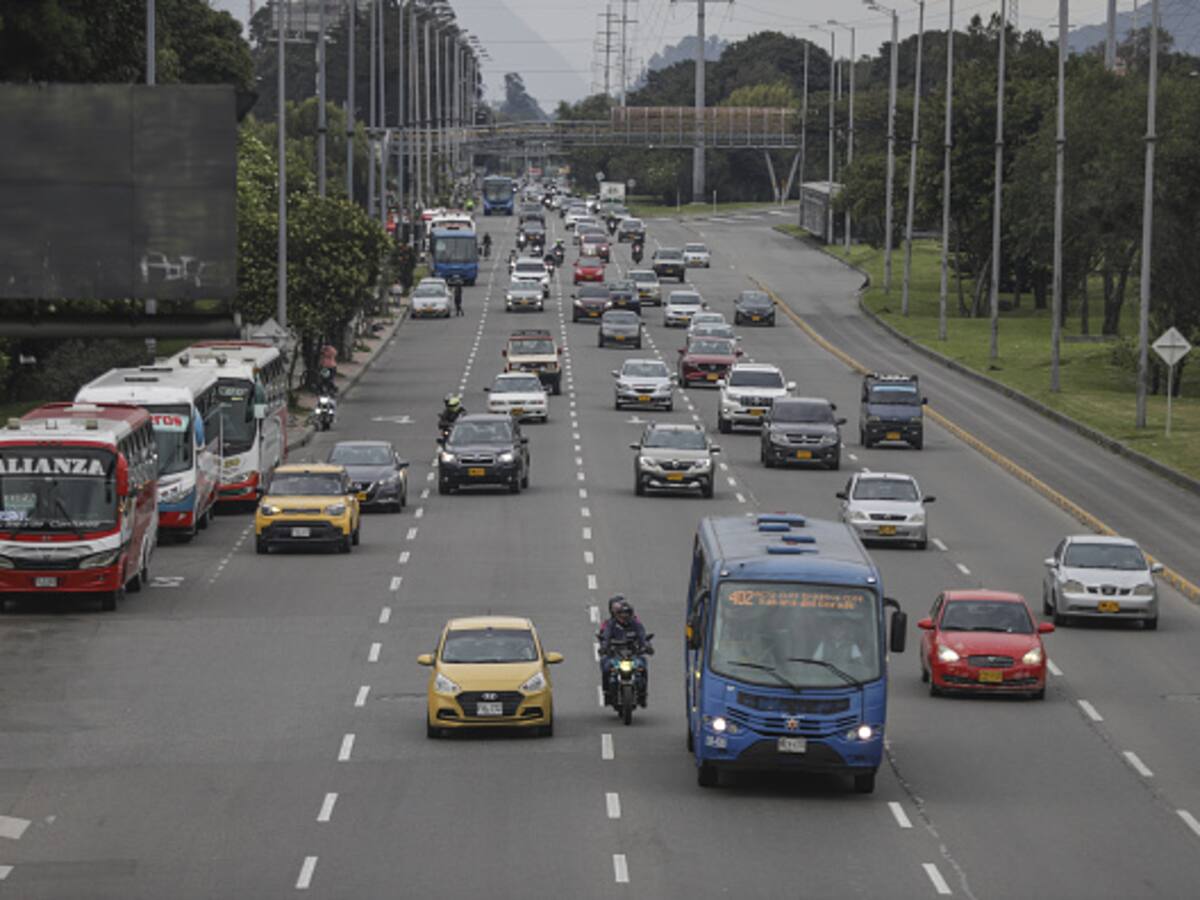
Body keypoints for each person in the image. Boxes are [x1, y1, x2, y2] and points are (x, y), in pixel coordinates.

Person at [599, 599, 652, 706]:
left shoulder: (636, 624)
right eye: (621, 614)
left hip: (633, 655)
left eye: (626, 614)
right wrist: (604, 647)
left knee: (643, 665)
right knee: (606, 666)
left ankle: (643, 695)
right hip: (615, 656)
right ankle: (607, 694)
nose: (624, 617)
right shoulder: (611, 625)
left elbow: (642, 637)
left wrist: (647, 647)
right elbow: (606, 637)